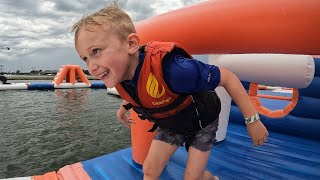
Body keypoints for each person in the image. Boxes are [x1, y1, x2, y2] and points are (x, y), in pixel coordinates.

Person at [72, 2, 268, 180]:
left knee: (193, 178)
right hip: (172, 122)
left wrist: (252, 120)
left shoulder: (175, 70)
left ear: (131, 44)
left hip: (203, 122)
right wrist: (123, 109)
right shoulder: (120, 74)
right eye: (85, 59)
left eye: (95, 51)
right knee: (149, 170)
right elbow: (138, 91)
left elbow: (228, 78)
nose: (91, 67)